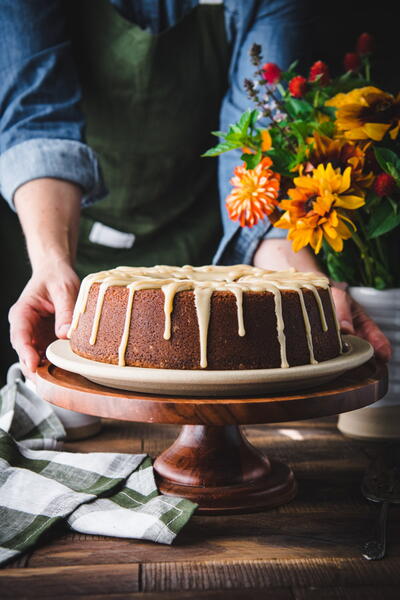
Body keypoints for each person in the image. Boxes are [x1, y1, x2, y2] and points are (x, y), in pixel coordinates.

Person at [0, 0, 391, 374]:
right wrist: (52, 262)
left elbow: (254, 148)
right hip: (69, 246)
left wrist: (305, 289)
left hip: (214, 262)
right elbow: (37, 115)